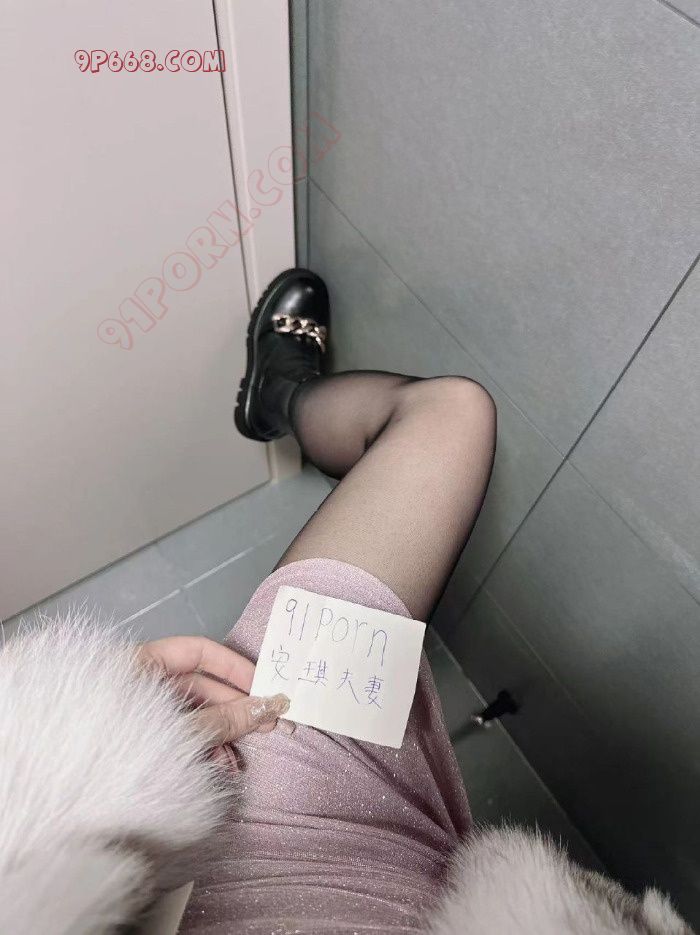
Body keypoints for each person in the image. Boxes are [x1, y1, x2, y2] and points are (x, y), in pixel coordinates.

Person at [0, 270, 691, 934]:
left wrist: (61, 775)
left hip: (249, 853)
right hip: (390, 876)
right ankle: (287, 397)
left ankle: (282, 398)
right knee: (452, 412)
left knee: (451, 414)